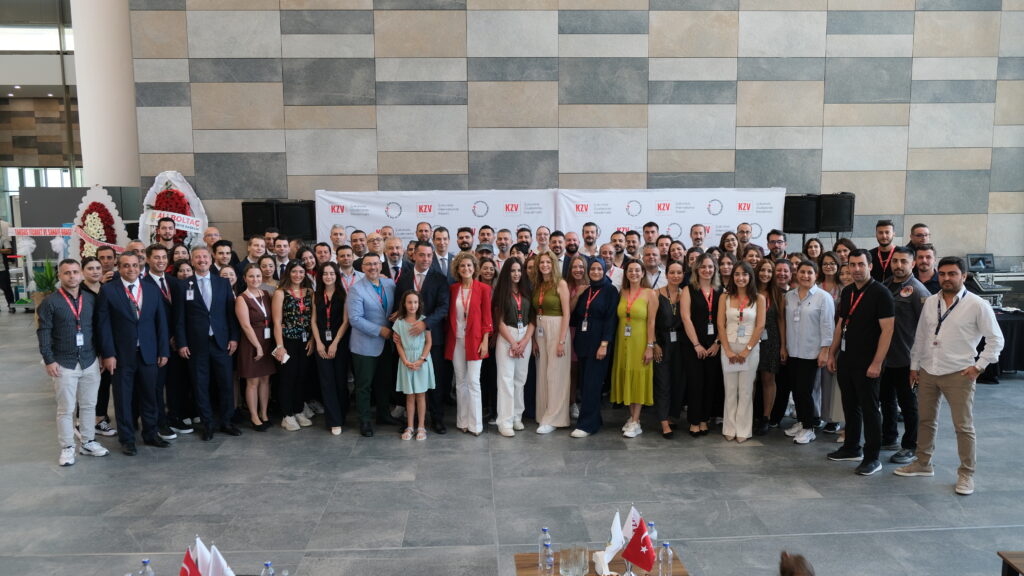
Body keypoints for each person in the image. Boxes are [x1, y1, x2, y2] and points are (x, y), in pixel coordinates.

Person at [895, 257, 1004, 496]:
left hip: (959, 373)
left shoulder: (977, 304)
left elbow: (996, 340)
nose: (946, 278)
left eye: (952, 274)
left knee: (963, 426)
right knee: (925, 420)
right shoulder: (930, 301)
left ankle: (966, 473)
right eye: (942, 274)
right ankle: (923, 463)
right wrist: (914, 366)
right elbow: (921, 337)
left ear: (963, 276)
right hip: (928, 370)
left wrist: (979, 366)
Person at [826, 249, 894, 476]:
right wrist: (832, 353)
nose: (856, 269)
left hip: (869, 361)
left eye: (861, 264)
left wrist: (877, 363)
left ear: (870, 266)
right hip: (847, 358)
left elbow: (887, 331)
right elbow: (841, 324)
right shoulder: (848, 292)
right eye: (852, 265)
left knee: (870, 409)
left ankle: (872, 457)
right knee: (850, 404)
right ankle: (851, 447)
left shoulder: (881, 293)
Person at [37, 259, 110, 465]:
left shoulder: (91, 299)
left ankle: (88, 442)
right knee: (66, 409)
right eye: (67, 272)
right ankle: (67, 447)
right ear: (60, 276)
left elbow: (97, 329)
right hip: (63, 363)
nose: (72, 276)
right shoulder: (50, 302)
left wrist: (101, 354)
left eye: (75, 272)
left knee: (89, 405)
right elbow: (44, 333)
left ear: (81, 274)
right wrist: (49, 360)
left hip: (89, 360)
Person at [97, 252, 170, 455]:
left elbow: (161, 322)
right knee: (123, 399)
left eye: (135, 265)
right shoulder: (108, 290)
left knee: (150, 396)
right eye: (126, 266)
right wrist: (108, 354)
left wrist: (163, 350)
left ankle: (151, 434)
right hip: (121, 356)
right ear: (119, 268)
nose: (131, 269)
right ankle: (127, 439)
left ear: (140, 267)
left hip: (149, 353)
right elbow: (103, 325)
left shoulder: (151, 289)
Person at [176, 245, 241, 442]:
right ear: (192, 261)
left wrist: (234, 338)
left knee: (226, 383)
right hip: (196, 345)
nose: (202, 260)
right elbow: (179, 318)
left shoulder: (223, 283)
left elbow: (230, 313)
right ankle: (207, 424)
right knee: (200, 385)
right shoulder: (183, 285)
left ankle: (227, 421)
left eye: (205, 257)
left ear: (211, 260)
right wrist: (182, 343)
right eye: (197, 257)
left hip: (221, 343)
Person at [392, 241, 451, 434]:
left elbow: (443, 307)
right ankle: (412, 422)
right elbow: (399, 307)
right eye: (422, 255)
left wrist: (425, 323)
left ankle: (437, 419)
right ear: (414, 256)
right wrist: (397, 328)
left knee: (434, 381)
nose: (426, 259)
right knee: (411, 382)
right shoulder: (404, 279)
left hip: (432, 338)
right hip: (408, 339)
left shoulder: (440, 279)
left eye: (429, 255)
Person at [880, 247, 929, 465]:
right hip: (885, 357)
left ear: (913, 264)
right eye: (895, 261)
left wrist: (920, 362)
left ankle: (911, 445)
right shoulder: (886, 285)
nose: (898, 265)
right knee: (886, 400)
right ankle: (889, 437)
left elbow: (928, 327)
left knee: (908, 404)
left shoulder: (918, 291)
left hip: (907, 358)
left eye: (903, 262)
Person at [782, 261, 834, 445]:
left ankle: (809, 428)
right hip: (793, 351)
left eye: (809, 272)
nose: (805, 276)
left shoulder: (823, 297)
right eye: (802, 272)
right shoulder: (789, 296)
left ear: (816, 275)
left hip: (811, 352)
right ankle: (801, 421)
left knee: (805, 391)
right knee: (796, 389)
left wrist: (825, 350)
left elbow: (828, 326)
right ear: (796, 274)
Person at [347, 253, 397, 437]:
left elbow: (395, 307)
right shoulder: (356, 289)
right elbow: (355, 319)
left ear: (381, 265)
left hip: (387, 344)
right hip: (365, 345)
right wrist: (379, 330)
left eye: (376, 264)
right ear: (362, 268)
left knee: (384, 382)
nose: (373, 267)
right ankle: (365, 420)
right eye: (368, 264)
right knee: (364, 385)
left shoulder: (389, 284)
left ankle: (383, 415)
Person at [569, 257, 618, 438]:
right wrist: (577, 295)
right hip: (583, 342)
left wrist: (604, 344)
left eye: (599, 269)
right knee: (585, 384)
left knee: (592, 384)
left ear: (604, 270)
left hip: (599, 343)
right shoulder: (586, 290)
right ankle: (594, 419)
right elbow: (575, 317)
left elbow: (611, 320)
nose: (596, 272)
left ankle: (587, 425)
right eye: (592, 269)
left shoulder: (611, 290)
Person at [444, 252, 493, 436]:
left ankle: (476, 424)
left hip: (475, 341)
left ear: (475, 268)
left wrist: (485, 341)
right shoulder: (453, 289)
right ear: (457, 269)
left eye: (469, 265)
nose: (466, 268)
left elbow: (487, 318)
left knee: (473, 381)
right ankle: (462, 421)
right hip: (456, 340)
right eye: (462, 266)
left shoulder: (483, 289)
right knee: (460, 382)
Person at [718, 262, 765, 443]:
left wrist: (747, 350)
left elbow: (760, 326)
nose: (740, 278)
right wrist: (727, 350)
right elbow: (720, 324)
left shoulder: (759, 298)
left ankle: (744, 429)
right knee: (730, 389)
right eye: (737, 274)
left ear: (750, 277)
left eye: (744, 274)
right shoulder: (725, 297)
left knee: (745, 391)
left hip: (750, 349)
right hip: (729, 348)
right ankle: (729, 427)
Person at [612, 260, 657, 438]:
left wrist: (650, 346)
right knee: (627, 377)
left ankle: (636, 421)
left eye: (637, 270)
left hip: (640, 342)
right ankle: (632, 418)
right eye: (630, 270)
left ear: (643, 273)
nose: (634, 273)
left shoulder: (650, 293)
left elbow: (652, 322)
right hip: (622, 342)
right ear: (626, 273)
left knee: (637, 378)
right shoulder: (622, 292)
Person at [492, 257, 533, 436]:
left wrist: (524, 342)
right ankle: (505, 421)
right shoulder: (501, 292)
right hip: (507, 336)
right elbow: (499, 322)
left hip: (525, 336)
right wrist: (513, 342)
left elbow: (533, 319)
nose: (516, 274)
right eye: (512, 270)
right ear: (506, 273)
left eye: (519, 270)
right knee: (506, 380)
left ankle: (517, 417)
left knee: (520, 380)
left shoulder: (527, 290)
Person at [681, 253, 722, 437]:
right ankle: (694, 421)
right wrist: (696, 344)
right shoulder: (688, 290)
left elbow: (724, 320)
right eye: (703, 267)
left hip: (714, 344)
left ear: (715, 269)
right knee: (695, 383)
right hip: (693, 344)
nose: (707, 270)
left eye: (710, 267)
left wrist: (717, 343)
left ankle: (705, 419)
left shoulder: (721, 291)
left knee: (710, 383)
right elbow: (686, 318)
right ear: (696, 269)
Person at [141, 244, 178, 441]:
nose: (161, 261)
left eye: (164, 257)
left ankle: (174, 417)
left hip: (177, 342)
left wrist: (177, 336)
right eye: (156, 257)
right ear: (148, 259)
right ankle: (159, 423)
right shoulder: (143, 284)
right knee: (156, 386)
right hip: (156, 343)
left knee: (175, 383)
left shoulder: (174, 281)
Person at [532, 251, 572, 434]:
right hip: (540, 330)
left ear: (554, 264)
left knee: (556, 375)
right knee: (542, 373)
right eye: (542, 262)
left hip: (557, 329)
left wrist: (561, 340)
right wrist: (534, 339)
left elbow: (567, 314)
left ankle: (555, 418)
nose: (545, 265)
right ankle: (543, 414)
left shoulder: (560, 283)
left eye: (548, 262)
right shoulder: (538, 285)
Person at [271, 261, 314, 432]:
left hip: (305, 340)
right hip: (287, 340)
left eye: (301, 272)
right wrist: (280, 346)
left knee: (302, 376)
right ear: (288, 273)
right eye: (294, 271)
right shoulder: (280, 293)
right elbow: (276, 322)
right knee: (288, 377)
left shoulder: (309, 292)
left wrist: (312, 339)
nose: (298, 275)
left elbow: (313, 319)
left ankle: (298, 410)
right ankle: (287, 415)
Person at [235, 264, 276, 431]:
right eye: (251, 276)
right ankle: (254, 416)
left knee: (265, 379)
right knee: (253, 381)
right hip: (252, 342)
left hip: (267, 340)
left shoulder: (265, 294)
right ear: (245, 278)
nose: (255, 279)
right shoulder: (242, 298)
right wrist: (258, 346)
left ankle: (264, 413)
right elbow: (245, 325)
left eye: (258, 276)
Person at [311, 262, 350, 436]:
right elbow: (313, 321)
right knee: (327, 381)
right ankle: (333, 420)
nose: (328, 277)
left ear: (337, 275)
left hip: (339, 340)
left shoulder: (344, 294)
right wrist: (318, 343)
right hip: (321, 339)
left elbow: (346, 321)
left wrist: (335, 343)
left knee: (340, 380)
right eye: (325, 274)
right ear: (321, 276)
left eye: (332, 273)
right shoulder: (316, 295)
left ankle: (341, 414)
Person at [394, 290, 435, 441]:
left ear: (419, 304)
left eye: (415, 302)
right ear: (404, 304)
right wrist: (405, 360)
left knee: (421, 395)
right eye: (409, 302)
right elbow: (398, 344)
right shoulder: (399, 322)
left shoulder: (424, 321)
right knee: (409, 396)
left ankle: (421, 427)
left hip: (421, 361)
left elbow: (429, 342)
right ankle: (410, 426)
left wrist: (422, 359)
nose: (413, 305)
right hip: (406, 361)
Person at [653, 260, 686, 438]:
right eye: (672, 272)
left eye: (679, 272)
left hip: (680, 343)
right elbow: (650, 322)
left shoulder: (685, 294)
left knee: (678, 381)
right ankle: (663, 421)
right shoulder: (656, 294)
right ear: (666, 275)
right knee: (662, 382)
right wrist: (654, 344)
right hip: (662, 342)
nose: (675, 276)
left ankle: (672, 416)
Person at [754, 259, 783, 434]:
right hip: (750, 339)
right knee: (751, 379)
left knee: (768, 379)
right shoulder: (750, 290)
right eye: (762, 270)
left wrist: (783, 346)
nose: (765, 274)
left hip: (771, 340)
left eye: (769, 271)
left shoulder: (777, 293)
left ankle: (766, 417)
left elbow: (781, 321)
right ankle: (749, 415)